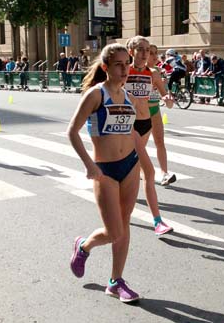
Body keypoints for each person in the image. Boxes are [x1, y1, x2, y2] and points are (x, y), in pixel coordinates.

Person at [67, 43, 141, 303]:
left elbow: (131, 131)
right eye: (119, 64)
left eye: (127, 63)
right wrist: (89, 164)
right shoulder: (96, 95)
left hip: (131, 166)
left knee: (126, 223)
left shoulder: (127, 94)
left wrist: (143, 161)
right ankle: (84, 246)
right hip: (105, 170)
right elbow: (72, 131)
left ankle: (115, 281)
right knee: (114, 232)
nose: (124, 69)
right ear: (106, 67)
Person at [126, 35, 174, 236]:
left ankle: (127, 212)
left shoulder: (153, 73)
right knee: (143, 170)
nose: (145, 53)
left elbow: (165, 96)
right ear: (131, 52)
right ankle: (156, 220)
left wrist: (168, 98)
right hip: (127, 126)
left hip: (144, 124)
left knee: (136, 169)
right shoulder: (123, 71)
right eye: (140, 49)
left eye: (147, 49)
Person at [147, 44, 176, 186]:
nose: (155, 56)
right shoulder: (133, 71)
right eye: (151, 53)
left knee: (160, 142)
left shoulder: (158, 71)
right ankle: (138, 171)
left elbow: (166, 99)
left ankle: (164, 173)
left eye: (155, 53)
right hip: (139, 114)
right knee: (138, 147)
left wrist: (168, 100)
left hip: (154, 110)